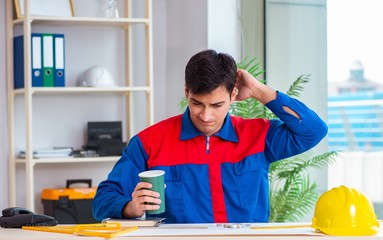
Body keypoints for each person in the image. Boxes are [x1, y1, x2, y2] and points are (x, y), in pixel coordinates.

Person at [92, 49, 327, 223]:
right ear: (186, 91)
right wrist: (130, 207)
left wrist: (258, 90)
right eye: (197, 103)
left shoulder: (259, 136)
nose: (206, 115)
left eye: (216, 105)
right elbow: (102, 200)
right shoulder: (149, 142)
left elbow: (314, 130)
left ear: (234, 95)